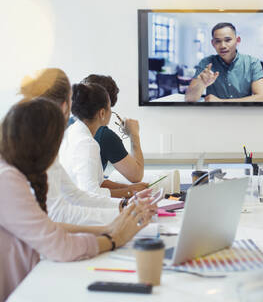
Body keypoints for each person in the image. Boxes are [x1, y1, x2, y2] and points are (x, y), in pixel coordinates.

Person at [0, 98, 153, 301]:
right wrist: (114, 239)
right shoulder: (7, 178)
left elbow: (47, 225)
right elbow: (59, 245)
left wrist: (108, 228)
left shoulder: (13, 169)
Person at [19, 69, 148, 225]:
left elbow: (76, 193)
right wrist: (127, 203)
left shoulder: (67, 133)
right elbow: (81, 198)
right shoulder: (86, 143)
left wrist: (125, 203)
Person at [59, 83, 147, 198]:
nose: (111, 112)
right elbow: (92, 193)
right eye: (110, 108)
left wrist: (130, 188)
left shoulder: (72, 131)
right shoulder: (87, 144)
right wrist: (131, 193)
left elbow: (99, 183)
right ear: (102, 113)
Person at [81, 74, 144, 183]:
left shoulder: (67, 123)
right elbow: (136, 176)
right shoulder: (104, 135)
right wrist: (134, 134)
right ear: (103, 111)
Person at [185, 22, 263, 102]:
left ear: (237, 40)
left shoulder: (252, 63)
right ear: (213, 43)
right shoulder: (206, 63)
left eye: (228, 40)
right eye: (218, 41)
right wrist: (201, 83)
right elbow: (189, 99)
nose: (222, 46)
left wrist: (221, 102)